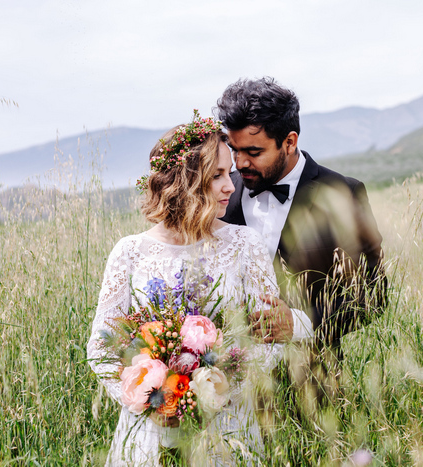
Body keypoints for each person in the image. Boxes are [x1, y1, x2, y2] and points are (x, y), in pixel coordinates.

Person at [87, 112, 284, 466]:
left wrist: (214, 394)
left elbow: (270, 340)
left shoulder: (245, 244)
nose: (230, 186)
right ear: (185, 182)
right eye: (217, 176)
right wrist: (147, 400)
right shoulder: (129, 251)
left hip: (226, 426)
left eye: (231, 175)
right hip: (148, 428)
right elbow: (100, 345)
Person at [216, 77, 387, 349]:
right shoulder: (220, 191)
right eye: (234, 150)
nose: (240, 163)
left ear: (290, 142)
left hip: (313, 377)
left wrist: (299, 324)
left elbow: (372, 294)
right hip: (229, 378)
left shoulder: (344, 193)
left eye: (253, 151)